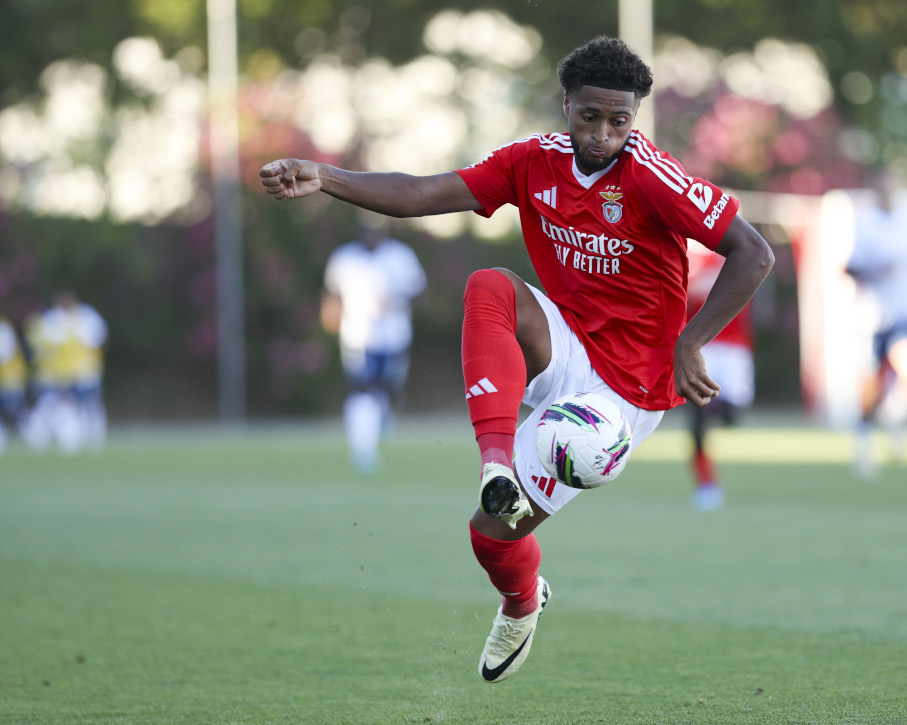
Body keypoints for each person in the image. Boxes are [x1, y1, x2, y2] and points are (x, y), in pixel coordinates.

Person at [259, 36, 774, 683]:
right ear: (566, 105)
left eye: (620, 121)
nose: (604, 133)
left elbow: (753, 252)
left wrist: (691, 340)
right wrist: (325, 177)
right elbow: (422, 192)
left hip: (628, 393)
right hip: (569, 341)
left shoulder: (652, 176)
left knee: (489, 538)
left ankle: (522, 600)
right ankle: (495, 463)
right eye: (590, 116)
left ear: (635, 119)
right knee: (491, 285)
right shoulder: (533, 161)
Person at [845, 168, 907, 478]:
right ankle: (864, 441)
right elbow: (849, 266)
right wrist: (874, 271)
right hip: (873, 316)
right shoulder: (864, 221)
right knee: (871, 382)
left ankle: (895, 415)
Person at [322, 220, 428, 473]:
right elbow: (332, 293)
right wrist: (330, 317)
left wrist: (397, 298)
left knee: (388, 391)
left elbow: (420, 290)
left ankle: (377, 425)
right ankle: (363, 450)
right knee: (363, 389)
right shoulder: (344, 257)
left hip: (394, 337)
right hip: (358, 338)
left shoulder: (401, 255)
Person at [683, 240, 755, 511]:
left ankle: (711, 410)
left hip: (735, 347)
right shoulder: (685, 257)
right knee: (698, 416)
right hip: (703, 345)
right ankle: (706, 484)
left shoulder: (733, 248)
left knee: (733, 415)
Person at [23, 291, 108, 453]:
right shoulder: (55, 320)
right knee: (61, 405)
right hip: (62, 373)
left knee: (85, 404)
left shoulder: (85, 318)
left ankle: (90, 436)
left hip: (81, 371)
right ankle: (57, 436)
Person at [0, 314, 29, 455]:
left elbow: (5, 354)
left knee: (14, 410)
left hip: (10, 379)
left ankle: (30, 435)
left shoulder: (4, 329)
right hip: (5, 379)